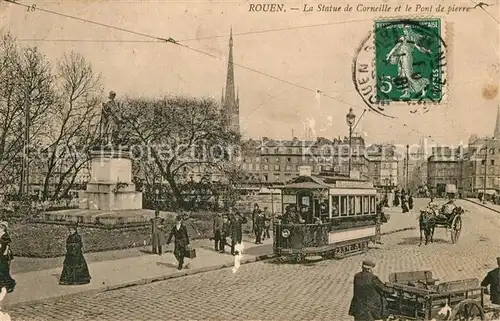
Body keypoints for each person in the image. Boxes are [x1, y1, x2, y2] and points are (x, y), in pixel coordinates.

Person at [0, 222, 15, 292]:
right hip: (1, 255)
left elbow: (3, 248)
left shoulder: (5, 236)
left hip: (4, 256)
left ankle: (10, 284)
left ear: (3, 228)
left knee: (4, 270)